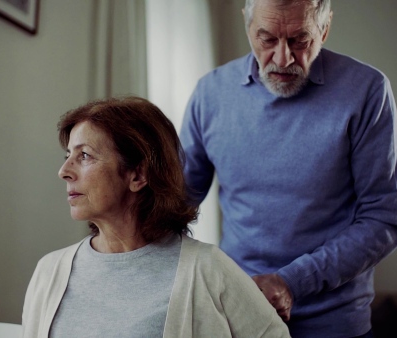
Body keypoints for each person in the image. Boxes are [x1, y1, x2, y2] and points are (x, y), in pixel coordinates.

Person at [179, 0, 397, 337]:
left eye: (299, 40)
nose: (283, 58)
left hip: (335, 323)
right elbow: (177, 200)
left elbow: (385, 219)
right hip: (236, 316)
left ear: (325, 29)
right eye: (267, 39)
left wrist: (291, 282)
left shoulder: (367, 90)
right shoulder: (209, 94)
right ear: (248, 25)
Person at [21, 96, 290, 338]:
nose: (64, 171)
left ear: (138, 175)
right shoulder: (50, 271)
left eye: (85, 156)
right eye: (68, 155)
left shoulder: (209, 269)